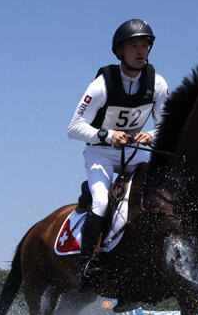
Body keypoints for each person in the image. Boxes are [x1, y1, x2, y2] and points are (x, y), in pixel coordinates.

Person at [67, 18, 169, 288]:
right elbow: (74, 128)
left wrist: (153, 134)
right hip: (101, 153)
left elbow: (167, 125)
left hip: (136, 152)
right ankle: (88, 264)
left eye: (145, 45)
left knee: (161, 193)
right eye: (133, 45)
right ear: (120, 51)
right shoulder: (102, 84)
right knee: (101, 203)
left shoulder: (157, 83)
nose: (140, 51)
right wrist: (108, 135)